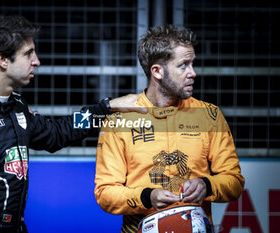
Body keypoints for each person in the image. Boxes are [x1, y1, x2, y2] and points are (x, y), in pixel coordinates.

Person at [0, 15, 145, 233]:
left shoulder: (16, 105)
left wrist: (106, 108)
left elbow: (57, 132)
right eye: (28, 54)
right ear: (3, 60)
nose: (37, 61)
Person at [94, 24, 245, 232]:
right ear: (157, 71)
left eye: (192, 64)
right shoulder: (119, 121)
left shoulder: (209, 115)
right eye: (183, 65)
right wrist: (147, 197)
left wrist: (207, 185)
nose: (193, 73)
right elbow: (105, 193)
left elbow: (234, 181)